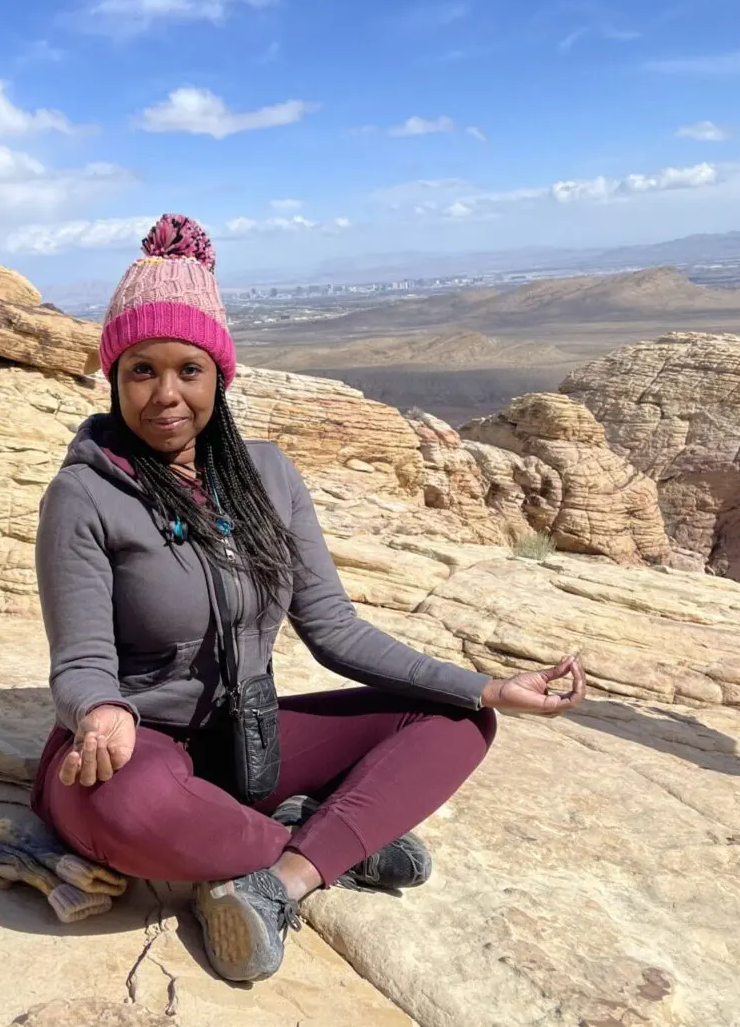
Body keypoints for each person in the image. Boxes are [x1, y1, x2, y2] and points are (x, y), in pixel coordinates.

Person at [30, 213, 586, 984]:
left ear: (219, 376)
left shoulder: (267, 476)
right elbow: (82, 659)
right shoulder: (83, 495)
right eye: (141, 371)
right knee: (129, 810)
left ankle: (283, 878)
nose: (165, 395)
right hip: (136, 752)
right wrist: (101, 710)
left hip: (245, 743)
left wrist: (488, 685)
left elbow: (333, 628)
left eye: (188, 370)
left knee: (459, 723)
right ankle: (331, 844)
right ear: (114, 378)